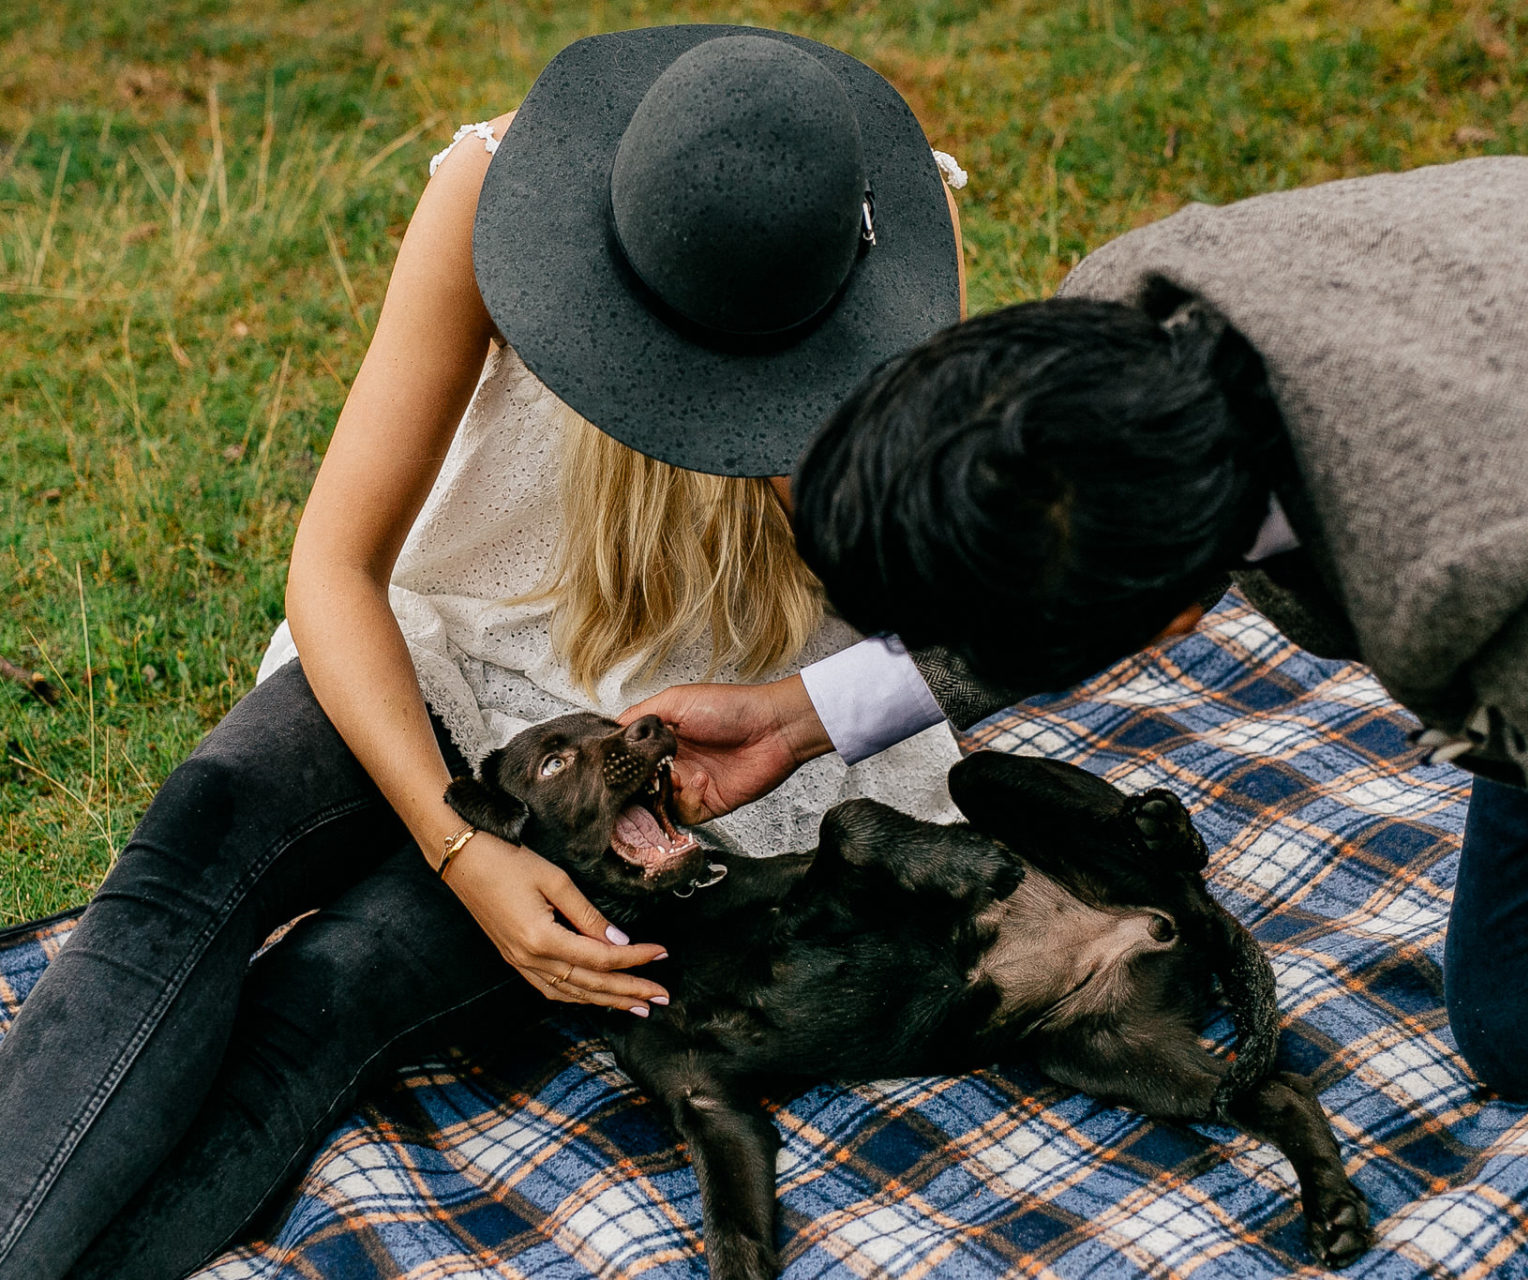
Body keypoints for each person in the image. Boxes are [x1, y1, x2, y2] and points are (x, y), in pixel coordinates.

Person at [629, 125, 1528, 1280]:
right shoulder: (1120, 328)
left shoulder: (1525, 552)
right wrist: (809, 712)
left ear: (1178, 621)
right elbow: (1053, 553)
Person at [0, 26, 970, 1280]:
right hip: (440, 639)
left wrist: (809, 463)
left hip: (664, 761)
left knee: (330, 997)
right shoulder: (493, 195)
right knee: (180, 866)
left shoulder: (889, 270)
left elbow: (948, 614)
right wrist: (457, 843)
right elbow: (335, 564)